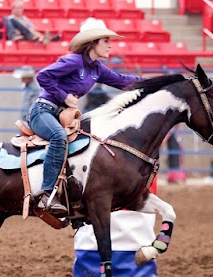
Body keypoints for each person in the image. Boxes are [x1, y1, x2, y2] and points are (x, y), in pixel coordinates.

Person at [28, 18, 143, 214]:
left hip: (63, 116)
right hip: (43, 111)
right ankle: (45, 194)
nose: (110, 45)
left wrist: (154, 84)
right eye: (106, 40)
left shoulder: (96, 69)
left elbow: (122, 81)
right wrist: (64, 96)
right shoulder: (74, 61)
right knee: (58, 137)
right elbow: (43, 76)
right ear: (94, 42)